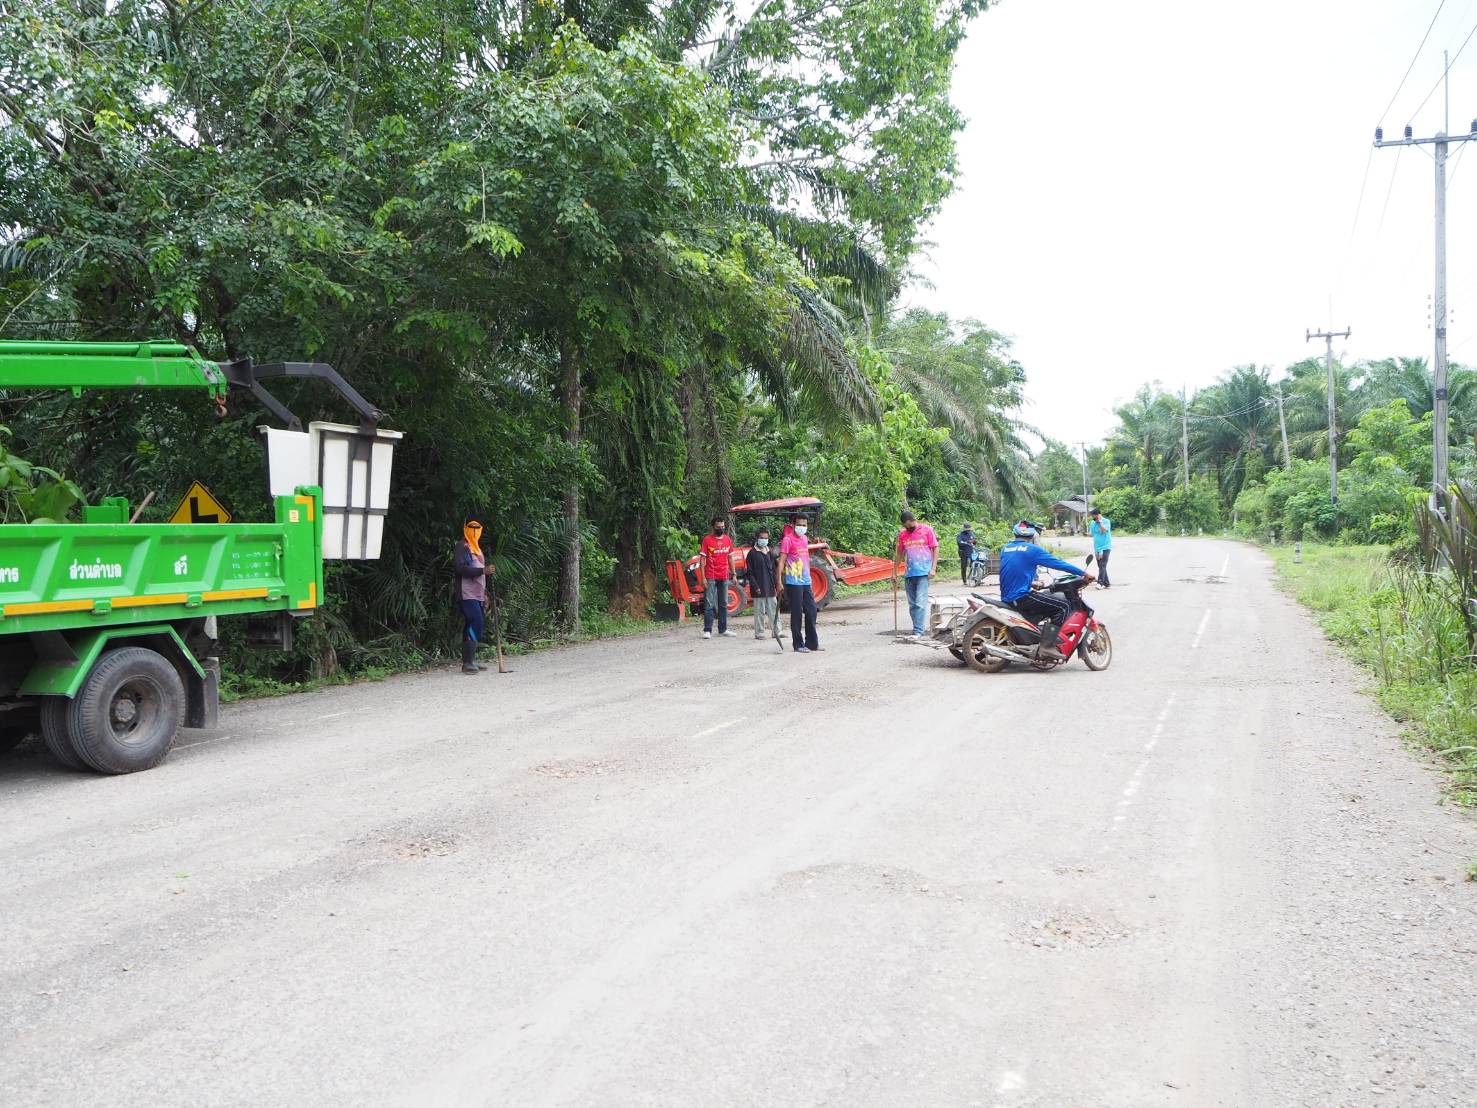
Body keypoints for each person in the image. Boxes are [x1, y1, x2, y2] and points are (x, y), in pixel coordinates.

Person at [998, 520, 1094, 654]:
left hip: (1007, 596)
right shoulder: (1032, 550)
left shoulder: (1005, 549)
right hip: (1020, 597)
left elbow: (1015, 571)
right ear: (1032, 537)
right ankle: (1047, 646)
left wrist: (1031, 583)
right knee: (1063, 606)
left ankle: (1035, 637)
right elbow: (1057, 563)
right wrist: (1084, 573)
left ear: (1015, 535)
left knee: (1045, 603)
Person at [454, 520, 496, 674]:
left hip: (478, 594)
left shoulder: (477, 549)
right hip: (466, 593)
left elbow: (481, 576)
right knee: (475, 621)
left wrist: (484, 594)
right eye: (471, 528)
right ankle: (468, 663)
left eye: (477, 529)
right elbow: (460, 568)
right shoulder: (462, 546)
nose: (474, 531)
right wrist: (482, 571)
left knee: (475, 624)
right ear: (465, 529)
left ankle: (469, 661)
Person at [779, 513, 820, 653]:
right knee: (796, 613)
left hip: (806, 581)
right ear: (792, 524)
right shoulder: (787, 540)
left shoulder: (804, 539)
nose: (802, 527)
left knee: (812, 610)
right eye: (799, 525)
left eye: (804, 525)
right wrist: (779, 581)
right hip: (793, 581)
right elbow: (782, 561)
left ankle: (812, 643)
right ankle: (798, 644)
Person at [895, 509, 938, 637]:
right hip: (909, 574)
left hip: (924, 573)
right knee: (913, 605)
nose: (908, 528)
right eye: (906, 526)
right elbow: (899, 553)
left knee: (920, 603)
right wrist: (894, 571)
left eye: (910, 525)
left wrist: (933, 568)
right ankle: (917, 628)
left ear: (914, 520)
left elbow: (935, 548)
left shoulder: (927, 530)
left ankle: (918, 631)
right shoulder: (903, 535)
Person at [700, 515, 736, 638]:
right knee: (709, 604)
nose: (720, 529)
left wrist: (734, 574)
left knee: (723, 603)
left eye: (722, 527)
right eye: (718, 527)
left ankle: (723, 629)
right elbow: (702, 559)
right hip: (711, 576)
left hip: (724, 576)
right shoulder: (707, 540)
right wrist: (703, 577)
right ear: (713, 527)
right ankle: (707, 630)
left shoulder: (727, 540)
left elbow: (730, 557)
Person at [746, 526, 778, 640]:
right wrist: (755, 586)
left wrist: (776, 584)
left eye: (766, 538)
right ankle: (759, 633)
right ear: (757, 538)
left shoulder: (770, 553)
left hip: (770, 587)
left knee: (774, 610)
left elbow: (773, 570)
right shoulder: (752, 554)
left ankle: (776, 632)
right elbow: (749, 573)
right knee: (759, 612)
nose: (764, 540)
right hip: (758, 588)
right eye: (761, 538)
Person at [1089, 507, 1113, 588]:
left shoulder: (1106, 521)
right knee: (1100, 565)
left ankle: (1100, 583)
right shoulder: (1092, 523)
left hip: (1106, 546)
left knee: (1102, 564)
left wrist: (1100, 522)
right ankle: (1107, 583)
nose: (1093, 518)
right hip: (1097, 547)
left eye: (1094, 516)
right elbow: (1092, 534)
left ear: (1098, 515)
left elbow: (1105, 530)